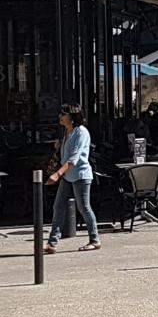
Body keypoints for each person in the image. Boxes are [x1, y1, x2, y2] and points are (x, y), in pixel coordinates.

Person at [44, 106, 101, 253]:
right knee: (58, 206)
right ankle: (52, 242)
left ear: (73, 116)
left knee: (84, 208)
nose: (60, 116)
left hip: (81, 175)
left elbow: (74, 158)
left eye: (64, 114)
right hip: (68, 176)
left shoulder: (81, 132)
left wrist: (57, 174)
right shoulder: (67, 133)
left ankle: (94, 240)